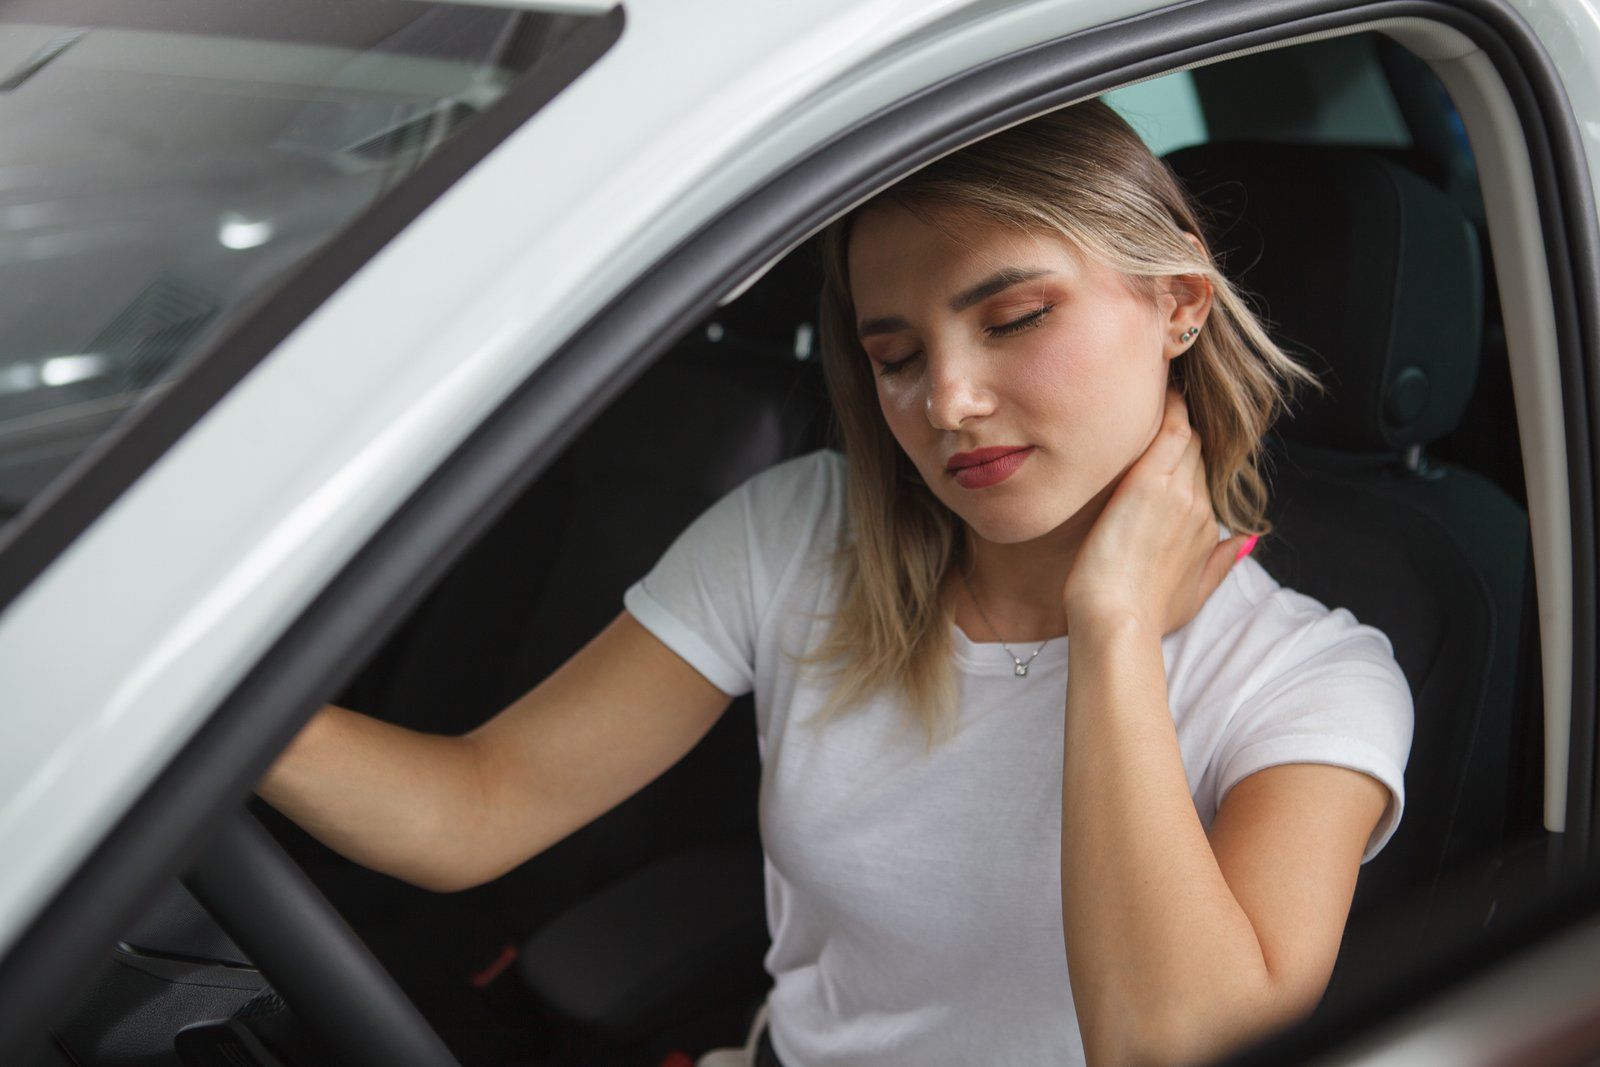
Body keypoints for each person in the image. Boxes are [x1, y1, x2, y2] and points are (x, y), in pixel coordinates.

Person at [257, 97, 1414, 1067]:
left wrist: (1108, 627)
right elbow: (476, 807)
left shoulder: (1312, 680)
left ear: (1178, 303)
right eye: (895, 355)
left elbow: (1177, 1046)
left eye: (1013, 318)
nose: (946, 401)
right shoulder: (804, 531)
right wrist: (184, 721)